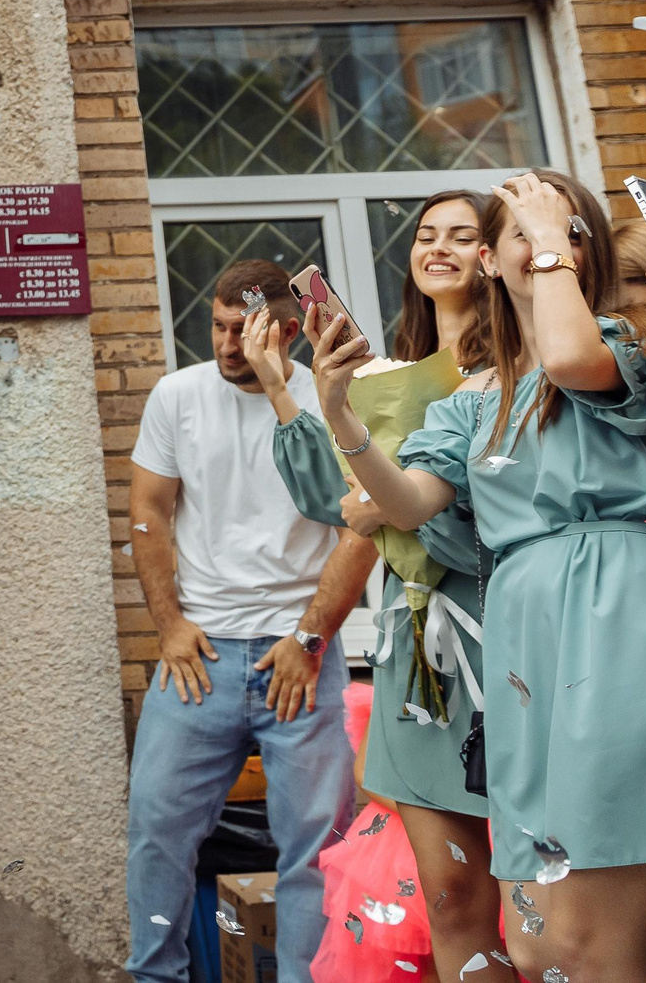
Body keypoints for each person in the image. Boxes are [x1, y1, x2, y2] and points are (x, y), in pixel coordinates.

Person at [338, 171, 646, 983]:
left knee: (588, 939)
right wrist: (337, 410)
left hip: (621, 612)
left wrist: (548, 233)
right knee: (536, 943)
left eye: (565, 230)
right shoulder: (468, 401)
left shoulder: (626, 352)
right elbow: (408, 504)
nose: (544, 243)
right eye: (522, 230)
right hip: (530, 639)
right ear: (492, 258)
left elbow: (564, 356)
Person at [125, 258, 374, 983]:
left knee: (314, 846)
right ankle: (156, 976)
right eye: (220, 325)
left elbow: (359, 529)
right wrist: (167, 624)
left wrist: (309, 637)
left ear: (289, 328)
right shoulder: (177, 395)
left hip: (298, 655)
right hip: (198, 658)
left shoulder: (329, 398)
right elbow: (148, 511)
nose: (229, 342)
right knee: (156, 834)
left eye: (247, 327)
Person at [269, 196, 497, 983]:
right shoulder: (393, 369)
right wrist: (291, 392)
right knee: (449, 885)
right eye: (426, 234)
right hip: (416, 638)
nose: (439, 247)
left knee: (541, 890)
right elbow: (326, 496)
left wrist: (397, 507)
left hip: (499, 627)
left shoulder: (516, 366)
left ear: (496, 254)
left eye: (463, 235)